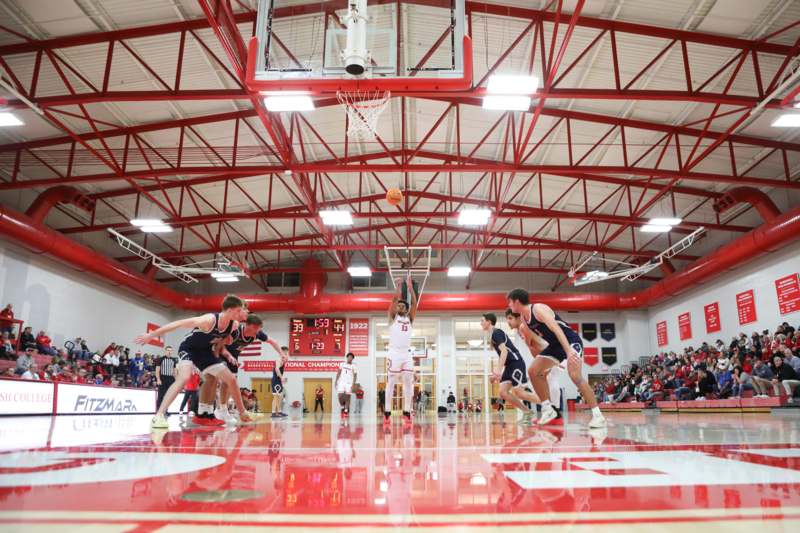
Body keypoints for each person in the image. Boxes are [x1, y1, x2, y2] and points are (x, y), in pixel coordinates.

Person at [134, 294, 253, 429]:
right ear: (230, 310)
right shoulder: (208, 320)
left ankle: (242, 413)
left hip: (205, 352)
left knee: (231, 379)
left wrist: (222, 348)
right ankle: (159, 416)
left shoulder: (234, 325)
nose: (241, 313)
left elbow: (220, 340)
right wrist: (151, 335)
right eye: (239, 310)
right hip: (189, 348)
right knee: (184, 377)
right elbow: (178, 324)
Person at [507, 288, 606, 428]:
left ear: (517, 301)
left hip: (570, 341)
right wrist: (541, 364)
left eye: (510, 303)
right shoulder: (524, 319)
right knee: (533, 371)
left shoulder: (538, 309)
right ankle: (548, 409)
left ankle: (598, 416)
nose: (509, 306)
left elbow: (557, 329)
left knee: (575, 376)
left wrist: (569, 351)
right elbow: (535, 346)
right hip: (555, 346)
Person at [218, 314, 281, 421]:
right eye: (255, 328)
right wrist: (228, 356)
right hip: (221, 354)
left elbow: (272, 341)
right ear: (247, 325)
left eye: (259, 328)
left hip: (233, 359)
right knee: (223, 381)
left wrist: (281, 354)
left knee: (231, 383)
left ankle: (224, 410)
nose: (258, 331)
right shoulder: (235, 331)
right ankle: (217, 409)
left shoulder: (257, 334)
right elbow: (220, 345)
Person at [480, 312, 539, 424]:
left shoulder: (496, 333)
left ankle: (549, 404)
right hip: (509, 365)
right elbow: (503, 354)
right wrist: (498, 372)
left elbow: (504, 351)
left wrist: (497, 370)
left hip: (516, 363)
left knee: (519, 393)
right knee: (503, 392)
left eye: (482, 321)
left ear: (489, 321)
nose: (481, 323)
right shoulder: (492, 335)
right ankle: (527, 412)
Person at [384, 277, 419, 426]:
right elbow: (392, 302)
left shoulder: (409, 318)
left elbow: (415, 304)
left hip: (406, 354)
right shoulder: (393, 317)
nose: (398, 307)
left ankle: (406, 412)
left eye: (401, 306)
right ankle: (387, 412)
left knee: (408, 382)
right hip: (394, 353)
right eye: (397, 305)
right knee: (391, 382)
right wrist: (398, 287)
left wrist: (411, 289)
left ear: (405, 308)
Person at [335, 353, 357, 417]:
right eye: (349, 357)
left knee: (348, 397)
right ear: (347, 357)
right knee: (340, 395)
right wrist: (336, 381)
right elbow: (338, 373)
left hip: (349, 383)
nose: (350, 358)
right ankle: (342, 406)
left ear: (352, 359)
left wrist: (353, 384)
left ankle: (346, 411)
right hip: (341, 382)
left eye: (351, 357)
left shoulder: (354, 366)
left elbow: (355, 376)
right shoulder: (342, 364)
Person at [271, 347, 289, 418]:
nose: (287, 355)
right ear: (282, 353)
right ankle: (273, 413)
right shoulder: (279, 360)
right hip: (276, 380)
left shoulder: (282, 360)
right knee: (276, 397)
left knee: (280, 397)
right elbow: (276, 369)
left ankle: (279, 412)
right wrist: (281, 378)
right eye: (286, 353)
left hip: (278, 381)